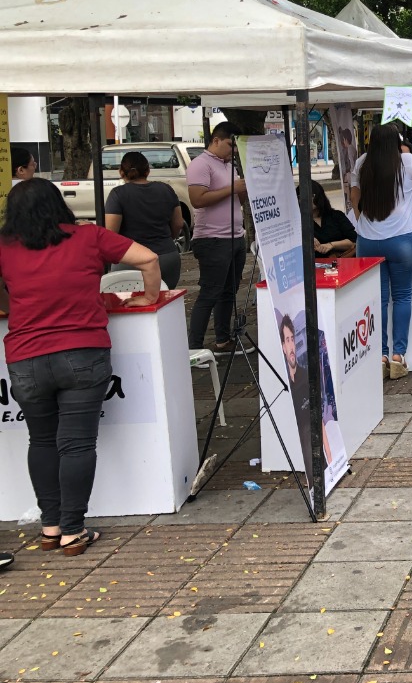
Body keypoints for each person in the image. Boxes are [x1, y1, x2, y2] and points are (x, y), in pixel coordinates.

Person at [0, 178, 161, 556]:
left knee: (41, 441)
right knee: (76, 443)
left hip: (25, 356)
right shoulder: (89, 236)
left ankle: (50, 527)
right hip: (83, 352)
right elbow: (149, 259)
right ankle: (73, 531)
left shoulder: (4, 246)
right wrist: (148, 297)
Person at [350, 124, 412, 380]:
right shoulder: (408, 162)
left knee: (377, 299)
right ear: (397, 142)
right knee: (402, 296)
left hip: (368, 240)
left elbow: (354, 197)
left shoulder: (362, 163)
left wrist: (362, 222)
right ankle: (398, 357)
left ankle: (380, 355)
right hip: (402, 239)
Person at [187, 122, 248, 352]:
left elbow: (237, 199)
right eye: (230, 145)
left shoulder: (229, 166)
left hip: (235, 236)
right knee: (210, 292)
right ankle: (195, 347)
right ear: (216, 140)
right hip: (212, 239)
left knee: (228, 291)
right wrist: (233, 188)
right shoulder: (200, 164)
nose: (233, 150)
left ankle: (223, 338)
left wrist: (243, 190)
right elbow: (197, 199)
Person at [105, 150, 184, 288]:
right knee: (164, 299)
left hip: (130, 261)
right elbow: (178, 223)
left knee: (130, 300)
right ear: (148, 170)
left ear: (121, 172)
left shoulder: (118, 194)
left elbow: (111, 233)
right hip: (166, 257)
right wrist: (167, 239)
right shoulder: (166, 189)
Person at [310, 183, 357, 258]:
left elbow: (354, 241)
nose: (305, 200)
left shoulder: (337, 215)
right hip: (314, 263)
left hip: (342, 260)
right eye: (300, 197)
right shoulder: (298, 224)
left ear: (319, 196)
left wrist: (331, 245)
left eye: (311, 196)